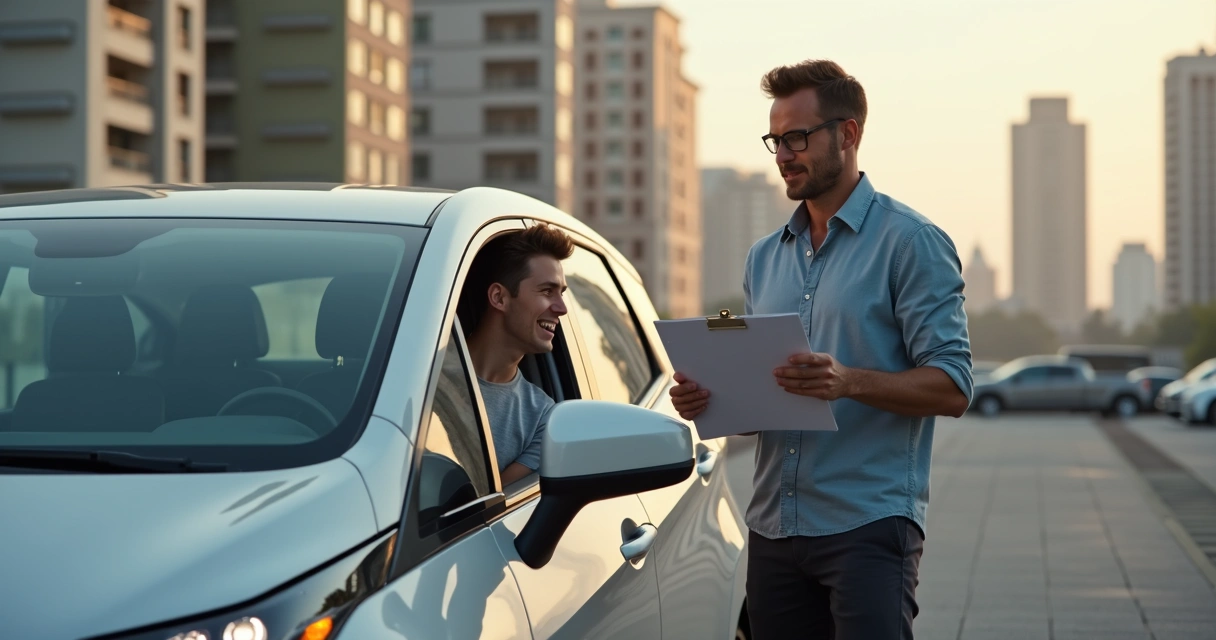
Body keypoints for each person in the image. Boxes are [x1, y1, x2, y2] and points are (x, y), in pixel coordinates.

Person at [670, 60, 973, 639]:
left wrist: (849, 381)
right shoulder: (764, 257)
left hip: (868, 527)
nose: (783, 153)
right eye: (775, 140)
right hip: (772, 529)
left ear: (849, 134)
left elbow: (954, 386)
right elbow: (765, 402)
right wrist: (711, 399)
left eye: (798, 138)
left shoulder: (911, 244)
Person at [456, 224, 574, 486]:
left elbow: (486, 508)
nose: (562, 308)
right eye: (547, 291)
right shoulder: (421, 377)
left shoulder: (543, 418)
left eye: (561, 293)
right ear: (499, 297)